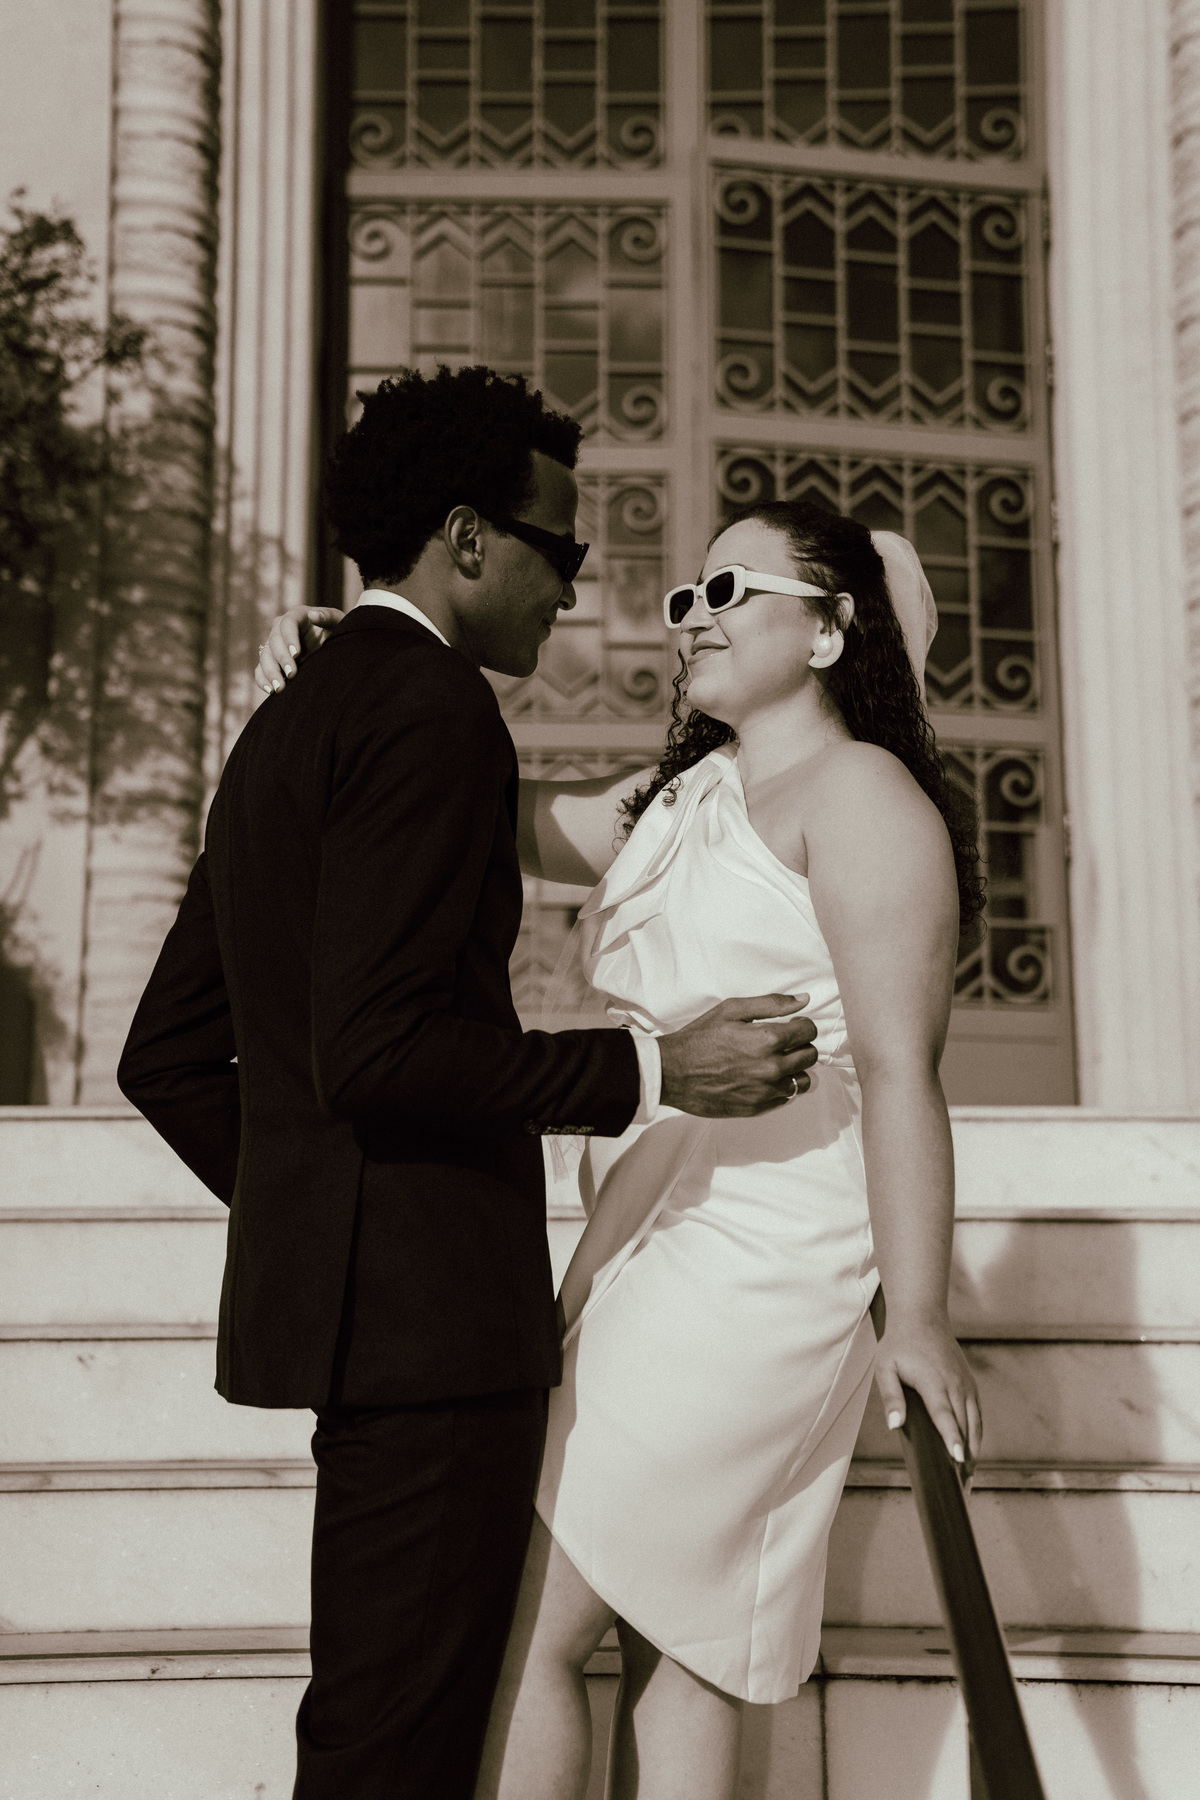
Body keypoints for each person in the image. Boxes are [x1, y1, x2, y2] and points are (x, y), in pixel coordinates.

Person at [117, 366, 821, 1800]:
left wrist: (329, 1221)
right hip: (437, 1334)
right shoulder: (433, 711)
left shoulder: (290, 720)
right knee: (397, 1749)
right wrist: (656, 1064)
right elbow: (380, 1048)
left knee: (368, 1727)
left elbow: (168, 1055)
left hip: (367, 1321)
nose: (576, 586)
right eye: (561, 547)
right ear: (468, 538)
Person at [258, 495, 985, 1800]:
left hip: (764, 1253)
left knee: (532, 1618)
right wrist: (346, 689)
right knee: (684, 1644)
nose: (691, 617)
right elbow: (487, 812)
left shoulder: (866, 797)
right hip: (644, 1228)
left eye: (730, 593)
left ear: (829, 630)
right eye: (686, 596)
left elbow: (898, 1071)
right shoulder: (677, 796)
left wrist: (921, 1315)